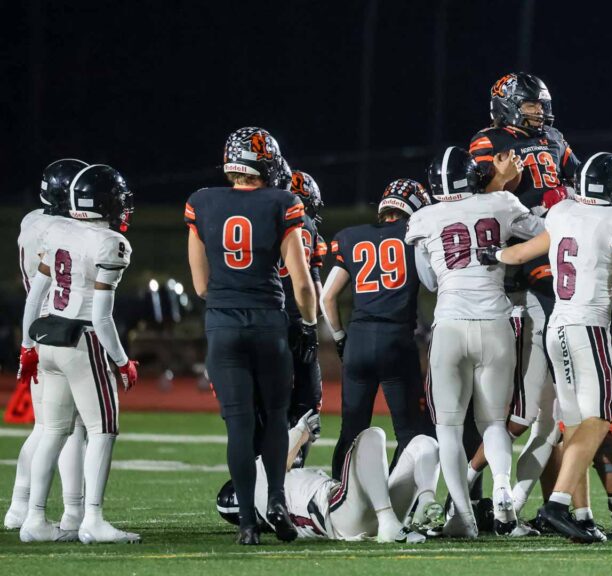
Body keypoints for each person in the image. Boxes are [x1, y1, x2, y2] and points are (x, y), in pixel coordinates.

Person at [480, 152, 612, 543]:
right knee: (602, 416)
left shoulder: (562, 211)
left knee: (573, 422)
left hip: (557, 327)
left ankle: (582, 514)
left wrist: (493, 255)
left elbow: (521, 252)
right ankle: (555, 505)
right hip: (588, 327)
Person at [185, 126, 318, 545]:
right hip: (267, 323)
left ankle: (247, 523)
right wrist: (311, 325)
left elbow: (200, 286)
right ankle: (276, 499)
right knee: (277, 418)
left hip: (222, 324)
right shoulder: (283, 202)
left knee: (239, 427)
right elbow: (300, 282)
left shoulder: (202, 201)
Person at [405, 146, 542, 537]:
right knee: (494, 423)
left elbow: (429, 281)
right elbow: (542, 234)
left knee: (448, 428)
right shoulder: (501, 202)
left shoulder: (422, 217)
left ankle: (463, 517)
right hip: (497, 322)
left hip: (449, 325)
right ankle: (502, 488)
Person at [465, 72, 580, 512]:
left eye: (540, 105)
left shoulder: (553, 136)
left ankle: (509, 499)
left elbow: (575, 181)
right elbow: (482, 198)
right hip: (523, 255)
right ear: (509, 104)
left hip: (557, 246)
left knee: (544, 411)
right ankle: (480, 486)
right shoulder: (486, 141)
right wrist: (503, 184)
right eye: (531, 104)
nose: (540, 112)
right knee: (524, 402)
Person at [19, 164, 140, 544]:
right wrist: (122, 360)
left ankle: (34, 520)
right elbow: (102, 318)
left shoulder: (55, 228)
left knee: (52, 431)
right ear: (107, 203)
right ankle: (92, 520)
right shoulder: (109, 244)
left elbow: (36, 295)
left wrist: (26, 346)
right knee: (102, 430)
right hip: (82, 340)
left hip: (47, 336)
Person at [322, 178, 435, 476]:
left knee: (352, 432)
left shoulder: (350, 236)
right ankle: (398, 501)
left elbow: (327, 297)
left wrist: (340, 338)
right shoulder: (415, 236)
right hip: (396, 341)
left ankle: (339, 499)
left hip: (358, 339)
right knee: (411, 433)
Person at [6, 159, 88, 533]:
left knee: (45, 428)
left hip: (37, 329)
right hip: (60, 328)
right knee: (69, 429)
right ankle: (73, 513)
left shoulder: (31, 220)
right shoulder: (63, 229)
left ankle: (19, 507)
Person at [216, 411, 442, 543]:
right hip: (338, 513)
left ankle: (424, 506)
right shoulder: (258, 486)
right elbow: (279, 460)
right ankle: (388, 521)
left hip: (349, 516)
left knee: (424, 443)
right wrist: (302, 430)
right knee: (371, 436)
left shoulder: (270, 509)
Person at [281, 170, 328, 461]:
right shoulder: (307, 226)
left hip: (258, 319)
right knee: (308, 403)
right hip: (297, 321)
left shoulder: (265, 216)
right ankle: (293, 464)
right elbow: (314, 289)